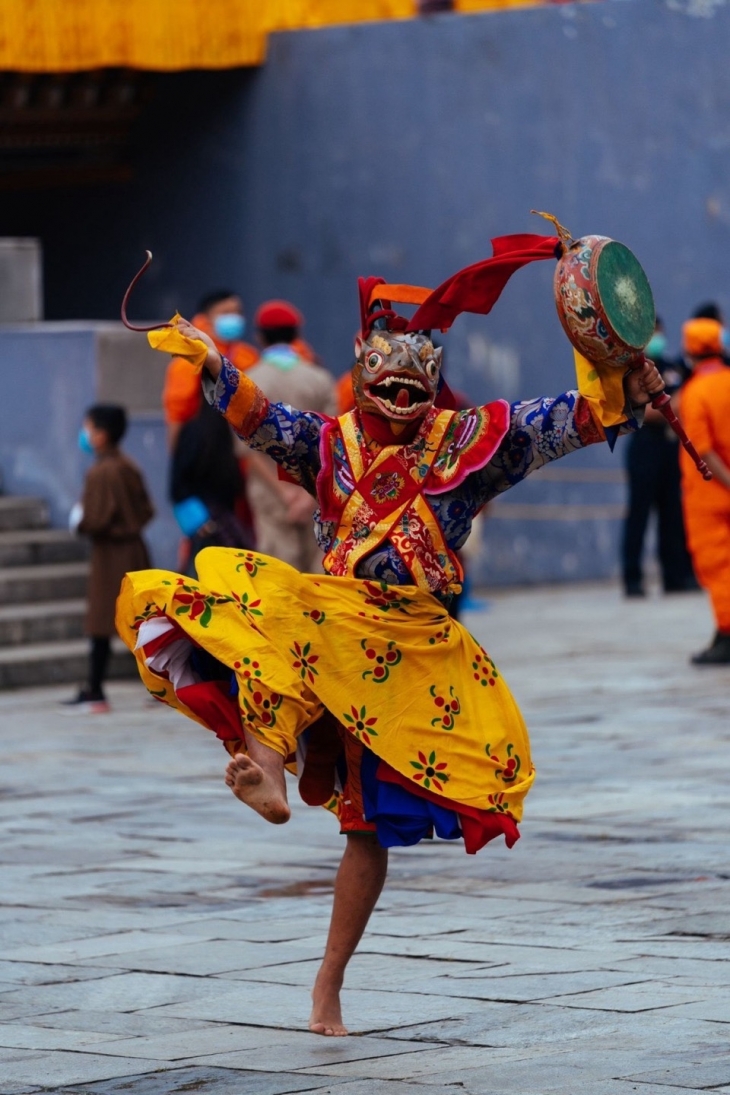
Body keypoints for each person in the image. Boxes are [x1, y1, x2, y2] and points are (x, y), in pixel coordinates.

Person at [117, 250, 664, 1037]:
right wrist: (215, 363)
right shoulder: (331, 442)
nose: (400, 400)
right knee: (277, 612)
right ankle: (265, 767)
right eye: (387, 387)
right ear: (361, 378)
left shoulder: (470, 439)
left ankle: (326, 985)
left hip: (414, 646)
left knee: (366, 831)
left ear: (433, 388)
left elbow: (563, 423)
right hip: (338, 621)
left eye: (415, 390)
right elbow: (263, 421)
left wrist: (618, 381)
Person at [66, 405, 153, 712]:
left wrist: (80, 523)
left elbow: (95, 519)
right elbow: (147, 510)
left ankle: (95, 688)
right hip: (135, 550)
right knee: (142, 622)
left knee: (101, 623)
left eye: (88, 428)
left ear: (101, 435)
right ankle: (159, 685)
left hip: (109, 556)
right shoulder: (128, 466)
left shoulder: (101, 472)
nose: (85, 435)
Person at [244, 299, 337, 571]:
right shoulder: (319, 378)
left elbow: (245, 451)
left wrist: (284, 493)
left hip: (269, 493)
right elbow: (334, 440)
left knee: (276, 577)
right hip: (316, 494)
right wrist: (307, 495)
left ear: (259, 336)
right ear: (297, 335)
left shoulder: (248, 382)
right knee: (318, 578)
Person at [621, 318, 694, 597]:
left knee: (672, 515)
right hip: (645, 449)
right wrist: (674, 404)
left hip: (670, 450)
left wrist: (672, 405)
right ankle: (632, 579)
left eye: (659, 333)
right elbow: (647, 412)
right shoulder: (633, 373)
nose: (658, 338)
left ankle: (674, 577)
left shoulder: (673, 368)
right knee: (639, 514)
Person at [678, 316, 730, 664]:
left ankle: (727, 634)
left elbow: (704, 450)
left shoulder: (694, 393)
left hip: (712, 496)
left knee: (719, 566)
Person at [162, 290, 259, 452]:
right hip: (205, 449)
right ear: (206, 318)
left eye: (238, 312)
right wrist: (176, 453)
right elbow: (177, 412)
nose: (234, 318)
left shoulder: (248, 356)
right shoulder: (190, 358)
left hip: (244, 447)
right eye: (226, 313)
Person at [170, 398, 254, 574]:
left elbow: (178, 482)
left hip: (203, 518)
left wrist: (196, 519)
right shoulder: (234, 434)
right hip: (222, 518)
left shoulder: (192, 431)